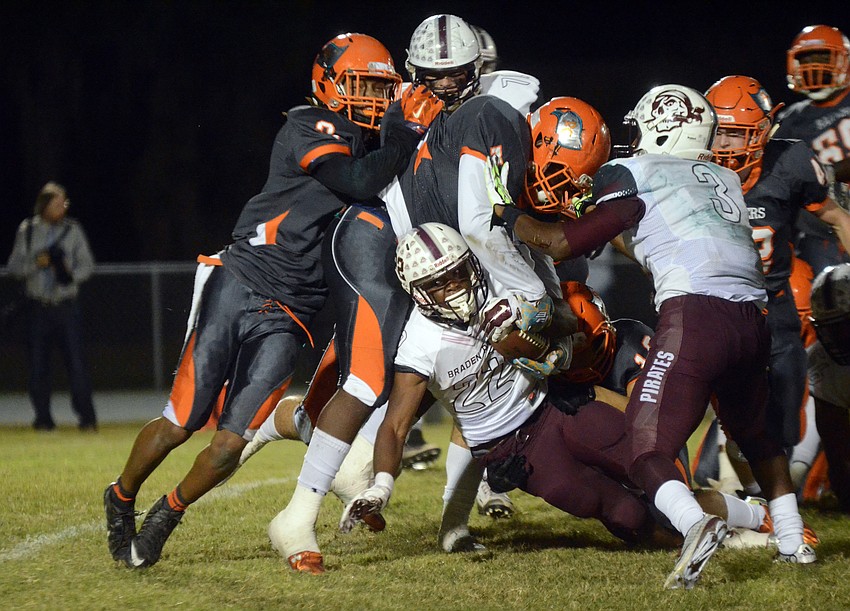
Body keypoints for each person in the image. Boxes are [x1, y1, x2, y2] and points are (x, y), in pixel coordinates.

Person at [101, 32, 439, 570]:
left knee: (231, 444)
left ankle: (167, 513)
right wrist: (400, 140)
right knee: (183, 420)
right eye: (362, 86)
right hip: (241, 279)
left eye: (381, 88)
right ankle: (120, 494)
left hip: (292, 314)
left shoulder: (376, 150)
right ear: (327, 84)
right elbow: (353, 180)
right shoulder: (309, 124)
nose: (374, 100)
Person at [489, 84, 815, 588]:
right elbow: (655, 236)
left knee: (645, 447)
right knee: (757, 434)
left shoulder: (635, 172)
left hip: (696, 317)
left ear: (660, 128)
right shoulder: (723, 177)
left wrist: (507, 214)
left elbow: (556, 244)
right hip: (754, 318)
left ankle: (693, 525)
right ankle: (793, 541)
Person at [266, 86, 564, 574]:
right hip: (385, 239)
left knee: (464, 379)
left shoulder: (479, 131)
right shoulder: (460, 117)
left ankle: (448, 518)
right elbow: (469, 219)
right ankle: (297, 514)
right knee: (366, 381)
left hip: (440, 261)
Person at [339, 223, 773, 557]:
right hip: (514, 449)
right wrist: (381, 486)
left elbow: (566, 319)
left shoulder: (498, 285)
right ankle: (699, 538)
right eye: (441, 283)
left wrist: (532, 319)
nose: (456, 287)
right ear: (420, 293)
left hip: (555, 406)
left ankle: (758, 517)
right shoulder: (420, 343)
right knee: (626, 515)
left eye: (458, 274)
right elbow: (395, 426)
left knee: (653, 467)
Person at [704, 75, 850, 488]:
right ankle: (729, 494)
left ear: (765, 131)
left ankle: (770, 497)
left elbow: (836, 217)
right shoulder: (691, 169)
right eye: (720, 133)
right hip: (718, 309)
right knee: (732, 417)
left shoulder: (790, 162)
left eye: (739, 134)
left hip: (776, 307)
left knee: (786, 425)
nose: (728, 145)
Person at [6, 182, 97, 432]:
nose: (63, 207)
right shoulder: (28, 231)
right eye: (57, 203)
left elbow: (88, 265)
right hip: (38, 307)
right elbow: (14, 268)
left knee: (77, 366)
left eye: (64, 203)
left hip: (67, 307)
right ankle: (43, 420)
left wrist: (69, 273)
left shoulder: (73, 230)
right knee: (37, 367)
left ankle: (87, 420)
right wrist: (37, 263)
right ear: (44, 205)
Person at [807, 263, 850, 510]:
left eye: (845, 327)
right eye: (831, 329)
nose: (840, 338)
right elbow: (837, 448)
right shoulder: (822, 361)